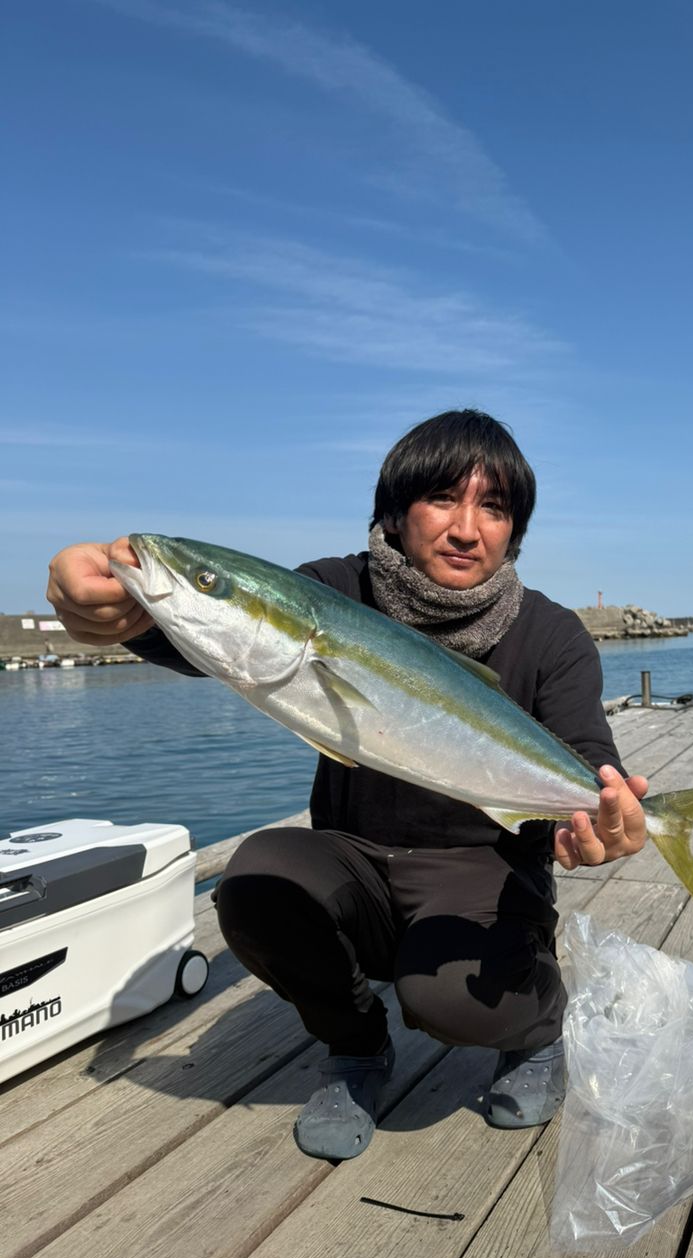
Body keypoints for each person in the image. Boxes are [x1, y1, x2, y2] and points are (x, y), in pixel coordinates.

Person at [46, 410, 648, 1160]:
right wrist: (108, 596)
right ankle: (357, 1044)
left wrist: (603, 813)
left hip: (482, 875)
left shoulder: (551, 635)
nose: (467, 529)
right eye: (440, 500)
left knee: (448, 998)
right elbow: (199, 637)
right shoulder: (329, 592)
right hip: (353, 857)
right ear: (395, 512)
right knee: (257, 883)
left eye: (492, 508)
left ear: (514, 529)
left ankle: (536, 1030)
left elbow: (589, 756)